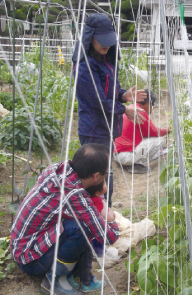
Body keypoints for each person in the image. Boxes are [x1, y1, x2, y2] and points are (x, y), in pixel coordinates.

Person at [10, 144, 119, 295]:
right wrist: (111, 219)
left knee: (79, 222)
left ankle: (67, 269)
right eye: (106, 173)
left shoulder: (58, 169)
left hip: (20, 247)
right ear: (96, 176)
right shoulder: (75, 194)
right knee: (83, 227)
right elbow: (109, 237)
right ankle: (54, 280)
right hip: (30, 261)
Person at [73, 13, 147, 207]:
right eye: (101, 40)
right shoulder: (84, 67)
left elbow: (109, 93)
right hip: (93, 130)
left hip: (105, 128)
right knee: (96, 182)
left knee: (106, 180)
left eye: (109, 40)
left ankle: (104, 217)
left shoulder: (106, 60)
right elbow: (98, 100)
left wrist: (123, 95)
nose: (106, 45)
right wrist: (124, 109)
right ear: (90, 38)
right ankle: (96, 219)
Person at [114, 89, 170, 174]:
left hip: (117, 154)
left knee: (148, 139)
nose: (152, 109)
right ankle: (136, 165)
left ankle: (132, 162)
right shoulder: (140, 111)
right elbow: (154, 132)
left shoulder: (131, 108)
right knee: (159, 140)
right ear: (147, 103)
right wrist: (167, 130)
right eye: (152, 105)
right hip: (125, 156)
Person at [85, 180, 109, 257]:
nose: (106, 184)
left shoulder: (86, 199)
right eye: (105, 183)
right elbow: (101, 216)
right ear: (97, 193)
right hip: (95, 229)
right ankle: (99, 253)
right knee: (98, 240)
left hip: (85, 229)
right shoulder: (97, 201)